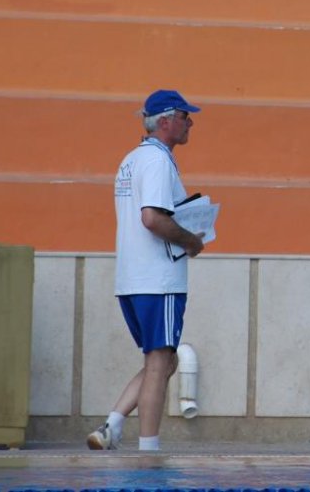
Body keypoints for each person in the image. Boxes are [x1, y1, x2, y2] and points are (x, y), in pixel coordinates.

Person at [87, 89, 206, 452]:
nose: (190, 123)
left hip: (131, 278)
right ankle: (148, 451)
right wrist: (190, 240)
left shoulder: (131, 160)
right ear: (167, 120)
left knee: (164, 359)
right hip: (158, 278)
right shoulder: (157, 161)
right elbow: (153, 218)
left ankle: (112, 426)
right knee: (158, 361)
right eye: (186, 116)